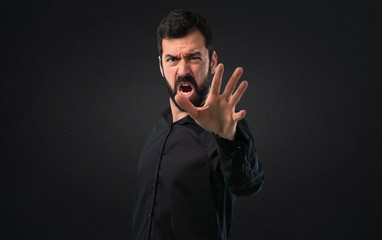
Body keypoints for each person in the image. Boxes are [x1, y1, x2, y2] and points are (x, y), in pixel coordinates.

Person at [131, 9, 264, 240]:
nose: (183, 71)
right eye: (172, 59)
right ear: (161, 66)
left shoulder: (225, 129)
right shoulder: (158, 128)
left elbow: (247, 184)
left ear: (212, 62)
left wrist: (228, 138)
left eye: (193, 58)